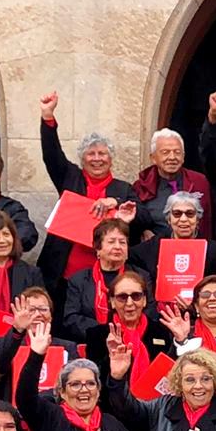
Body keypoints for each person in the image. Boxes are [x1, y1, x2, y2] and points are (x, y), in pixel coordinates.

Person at [37, 91, 136, 296]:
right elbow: (51, 154)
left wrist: (115, 202)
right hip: (63, 273)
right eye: (91, 154)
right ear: (83, 159)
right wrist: (48, 117)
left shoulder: (123, 189)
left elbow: (141, 213)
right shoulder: (70, 177)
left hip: (107, 275)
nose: (97, 159)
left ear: (111, 159)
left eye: (102, 154)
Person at [133, 127, 213, 240]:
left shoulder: (199, 181)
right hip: (156, 250)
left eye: (177, 152)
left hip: (194, 247)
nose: (172, 157)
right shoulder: (141, 186)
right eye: (165, 152)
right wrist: (144, 231)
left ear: (183, 157)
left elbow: (208, 221)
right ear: (153, 158)